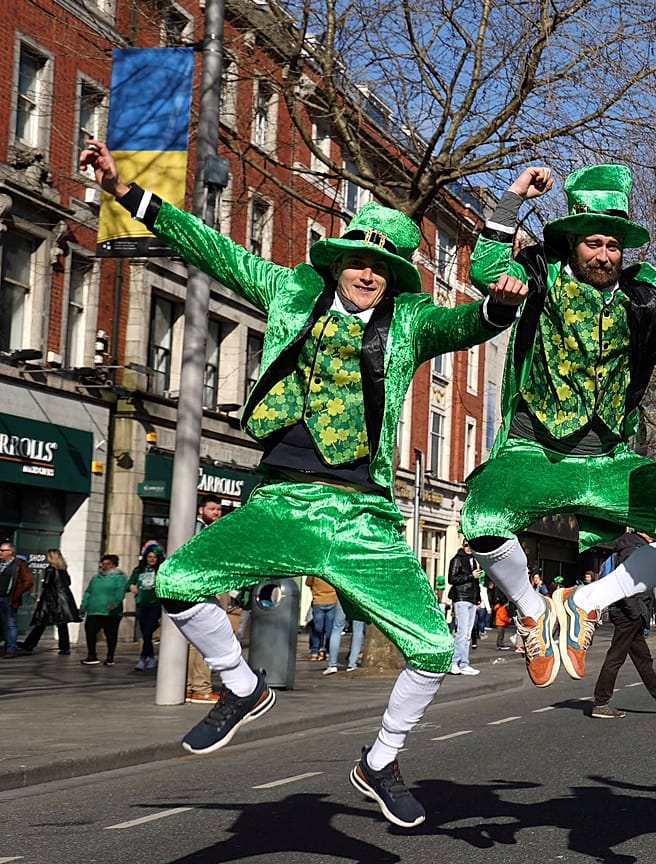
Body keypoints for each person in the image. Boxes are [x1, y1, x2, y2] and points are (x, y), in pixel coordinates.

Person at [80, 140, 523, 829]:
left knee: (434, 648)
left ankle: (380, 760)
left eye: (381, 266)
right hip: (283, 499)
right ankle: (241, 685)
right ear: (339, 259)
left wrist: (499, 302)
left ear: (394, 276)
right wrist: (122, 188)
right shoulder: (291, 289)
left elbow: (467, 323)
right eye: (358, 260)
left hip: (362, 517)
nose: (367, 273)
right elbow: (210, 246)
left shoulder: (409, 321)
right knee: (175, 583)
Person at [461, 164, 656, 690]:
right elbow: (485, 269)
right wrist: (514, 197)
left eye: (614, 245)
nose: (605, 256)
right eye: (594, 243)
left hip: (611, 458)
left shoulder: (645, 291)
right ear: (573, 241)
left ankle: (584, 605)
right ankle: (531, 612)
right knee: (480, 517)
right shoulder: (537, 271)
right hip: (535, 452)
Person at [590, 532, 656, 718]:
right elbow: (626, 585)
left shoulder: (633, 548)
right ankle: (600, 702)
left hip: (631, 612)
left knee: (643, 659)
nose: (654, 534)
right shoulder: (632, 550)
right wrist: (636, 612)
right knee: (616, 657)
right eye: (650, 531)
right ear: (641, 532)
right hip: (628, 613)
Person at [186, 496, 235, 704]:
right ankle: (200, 687)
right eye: (212, 508)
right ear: (200, 509)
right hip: (209, 588)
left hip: (205, 587)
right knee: (206, 636)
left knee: (195, 638)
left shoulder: (201, 528)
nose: (217, 512)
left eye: (219, 509)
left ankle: (190, 686)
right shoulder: (201, 531)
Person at [18, 549, 77, 656]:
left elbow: (47, 584)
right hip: (64, 599)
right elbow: (68, 583)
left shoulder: (50, 569)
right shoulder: (63, 569)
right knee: (62, 624)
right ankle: (64, 648)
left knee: (41, 622)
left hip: (51, 599)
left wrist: (40, 596)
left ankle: (29, 644)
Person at [79, 555, 130, 666]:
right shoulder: (96, 578)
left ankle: (110, 657)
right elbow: (88, 592)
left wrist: (114, 603)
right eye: (103, 563)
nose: (105, 566)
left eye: (108, 564)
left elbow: (120, 592)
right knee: (90, 633)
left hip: (111, 613)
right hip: (94, 610)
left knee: (111, 635)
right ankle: (92, 655)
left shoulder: (119, 578)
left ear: (114, 565)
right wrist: (83, 606)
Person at [446, 541, 482, 676]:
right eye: (466, 545)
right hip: (461, 598)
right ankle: (454, 662)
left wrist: (478, 598)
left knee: (467, 633)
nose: (469, 548)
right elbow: (452, 578)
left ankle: (464, 663)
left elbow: (476, 583)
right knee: (461, 632)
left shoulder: (474, 560)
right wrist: (470, 576)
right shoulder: (457, 559)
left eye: (471, 546)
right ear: (463, 546)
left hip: (471, 599)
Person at [127, 547, 163, 672]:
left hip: (155, 604)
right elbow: (129, 583)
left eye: (154, 557)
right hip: (141, 604)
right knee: (145, 633)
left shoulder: (160, 571)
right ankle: (151, 656)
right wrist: (131, 586)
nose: (152, 559)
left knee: (148, 631)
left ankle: (143, 658)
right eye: (150, 557)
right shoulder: (138, 570)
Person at [0, 541, 34, 658]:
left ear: (10, 552)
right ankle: (6, 644)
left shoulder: (18, 565)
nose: (0, 553)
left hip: (9, 599)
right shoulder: (1, 564)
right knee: (3, 624)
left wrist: (16, 593)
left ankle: (11, 649)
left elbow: (28, 581)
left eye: (2, 550)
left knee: (10, 624)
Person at [305, 576, 344, 673]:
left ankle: (315, 651)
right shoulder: (331, 572)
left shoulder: (315, 571)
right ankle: (326, 651)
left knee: (318, 628)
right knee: (329, 629)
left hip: (318, 601)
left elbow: (307, 583)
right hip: (331, 600)